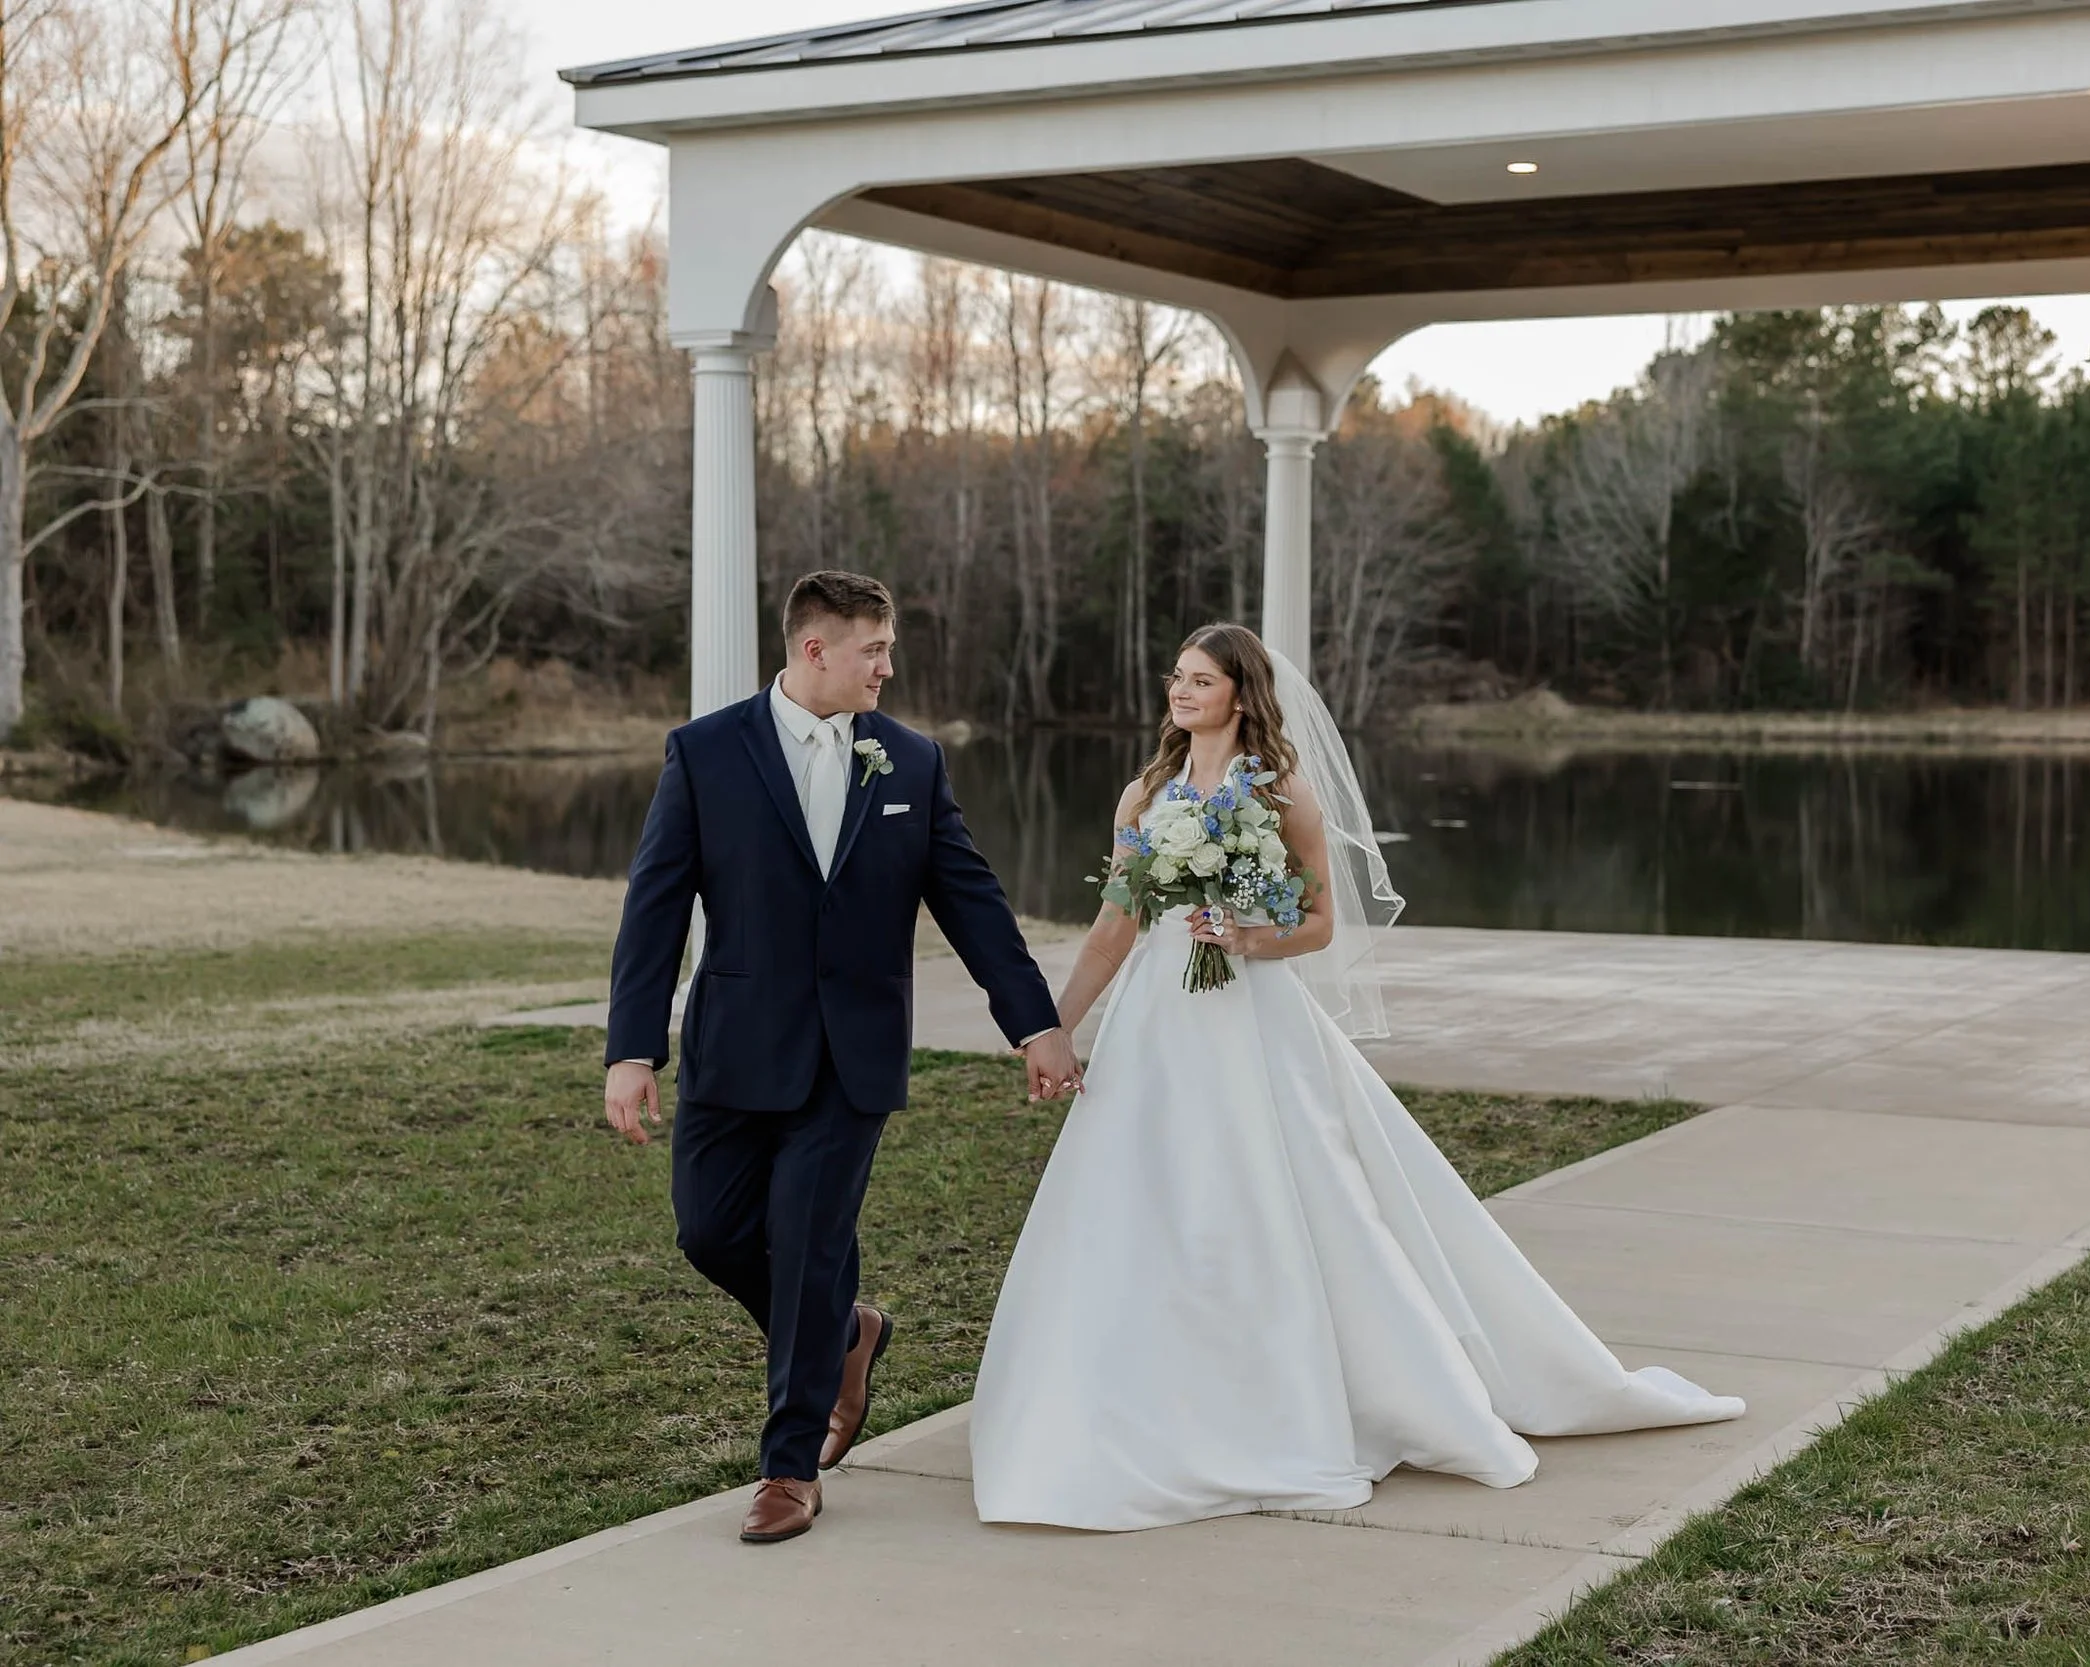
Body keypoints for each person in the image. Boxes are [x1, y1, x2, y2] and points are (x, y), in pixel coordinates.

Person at [971, 623, 1744, 1531]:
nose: (1179, 692)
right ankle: (1135, 1394)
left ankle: (1319, 1395)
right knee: (1144, 1192)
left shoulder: (1281, 790)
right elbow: (1113, 926)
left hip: (1252, 1015)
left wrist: (1252, 938)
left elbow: (1322, 924)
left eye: (1200, 679)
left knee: (1286, 1194)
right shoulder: (1145, 793)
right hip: (1159, 1017)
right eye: (1175, 677)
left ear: (1240, 694)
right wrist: (1055, 1027)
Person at [603, 570, 1082, 1545]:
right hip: (734, 1048)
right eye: (875, 648)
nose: (889, 666)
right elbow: (653, 909)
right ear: (814, 648)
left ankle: (787, 1468)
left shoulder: (911, 760)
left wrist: (1034, 1023)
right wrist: (632, 1048)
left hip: (852, 1055)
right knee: (710, 1232)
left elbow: (974, 901)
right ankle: (848, 1332)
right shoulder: (704, 754)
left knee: (808, 1240)